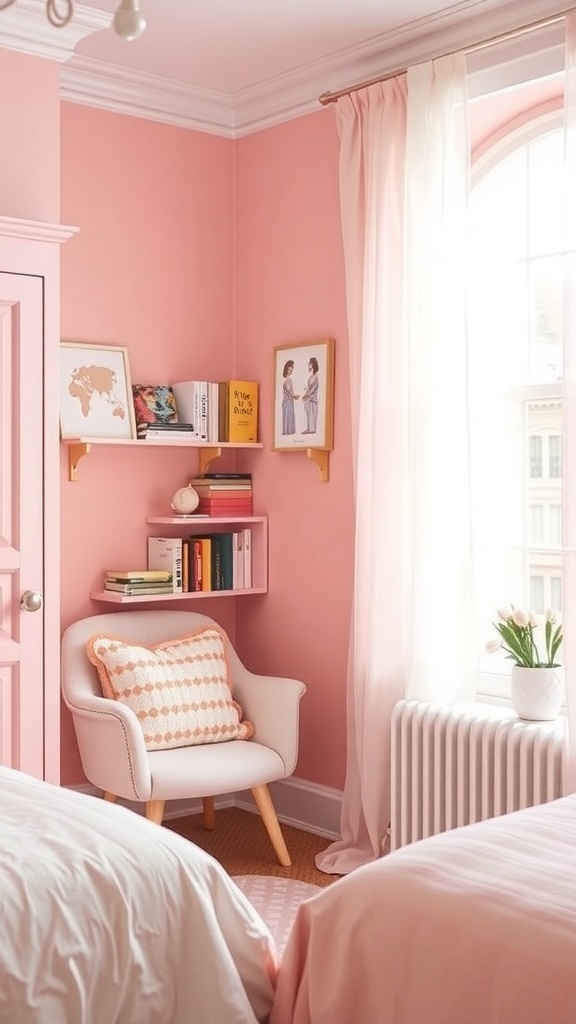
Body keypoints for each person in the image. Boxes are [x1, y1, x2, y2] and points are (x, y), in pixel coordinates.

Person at [300, 357, 319, 434]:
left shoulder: (315, 376)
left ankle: (312, 429)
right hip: (308, 398)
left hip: (312, 398)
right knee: (307, 413)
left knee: (312, 413)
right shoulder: (310, 375)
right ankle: (308, 428)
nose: (308, 365)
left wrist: (305, 395)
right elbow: (308, 388)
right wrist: (305, 395)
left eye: (309, 364)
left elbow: (313, 389)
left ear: (312, 364)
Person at [281, 359, 300, 435]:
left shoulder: (289, 379)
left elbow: (290, 392)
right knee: (287, 416)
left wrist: (294, 396)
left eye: (291, 370)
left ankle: (289, 431)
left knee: (289, 416)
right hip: (287, 402)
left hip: (289, 401)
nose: (290, 371)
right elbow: (289, 392)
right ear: (286, 370)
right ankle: (287, 431)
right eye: (289, 370)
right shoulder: (287, 380)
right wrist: (295, 396)